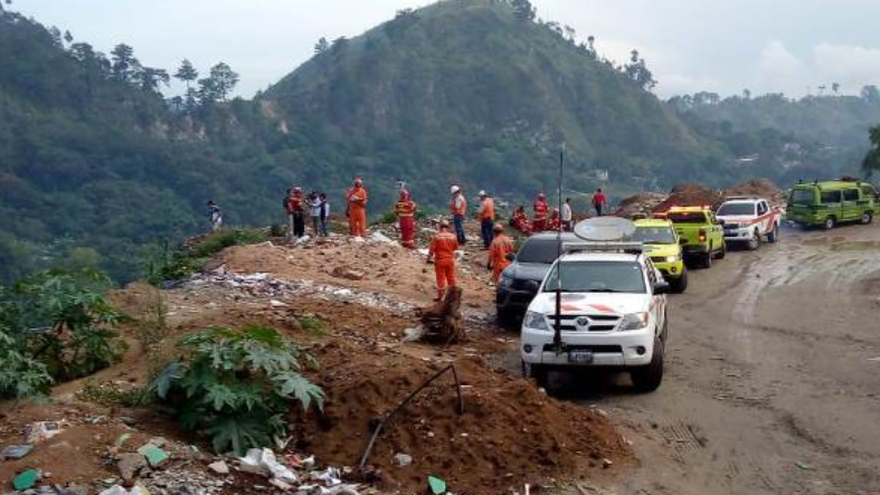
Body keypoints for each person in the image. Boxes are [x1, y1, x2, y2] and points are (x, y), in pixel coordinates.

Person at [427, 220, 460, 301]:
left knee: (440, 279)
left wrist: (428, 259)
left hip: (440, 260)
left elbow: (431, 250)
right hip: (450, 260)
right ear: (448, 228)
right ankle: (453, 296)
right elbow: (456, 248)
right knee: (451, 277)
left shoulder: (437, 237)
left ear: (440, 227)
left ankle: (441, 297)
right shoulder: (453, 236)